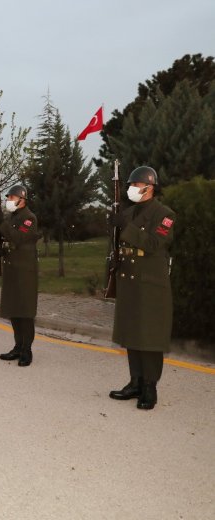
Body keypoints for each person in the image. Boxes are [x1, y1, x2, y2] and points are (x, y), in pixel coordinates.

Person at [109, 166, 175, 410]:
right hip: (129, 281)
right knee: (132, 333)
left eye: (135, 185)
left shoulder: (164, 214)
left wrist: (125, 228)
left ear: (149, 187)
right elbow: (120, 244)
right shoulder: (126, 213)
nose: (131, 189)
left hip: (150, 284)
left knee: (150, 337)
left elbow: (154, 243)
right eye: (130, 185)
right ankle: (135, 382)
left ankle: (150, 387)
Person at [0, 185, 41, 366]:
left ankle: (27, 350)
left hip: (24, 270)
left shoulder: (29, 218)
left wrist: (2, 224)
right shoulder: (12, 217)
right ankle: (17, 346)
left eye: (13, 197)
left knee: (25, 311)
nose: (10, 200)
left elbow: (18, 238)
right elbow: (8, 240)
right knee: (14, 310)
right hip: (12, 268)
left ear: (23, 199)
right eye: (9, 197)